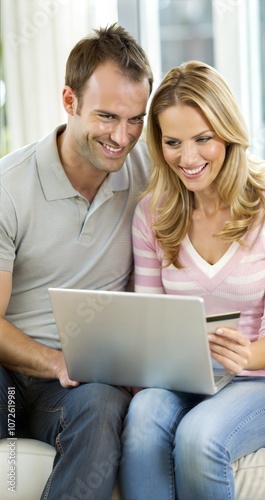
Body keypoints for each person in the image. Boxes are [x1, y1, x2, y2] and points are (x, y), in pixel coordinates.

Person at [120, 60, 265, 499]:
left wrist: (249, 355)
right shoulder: (152, 215)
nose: (189, 158)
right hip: (181, 380)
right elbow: (150, 319)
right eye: (173, 143)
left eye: (204, 139)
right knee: (142, 417)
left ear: (228, 133)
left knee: (199, 436)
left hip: (259, 381)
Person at [0, 24, 153, 499]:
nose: (122, 136)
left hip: (79, 384)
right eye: (107, 116)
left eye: (136, 119)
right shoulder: (9, 187)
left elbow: (228, 182)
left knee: (104, 404)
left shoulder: (150, 174)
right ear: (70, 101)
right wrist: (54, 360)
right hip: (10, 369)